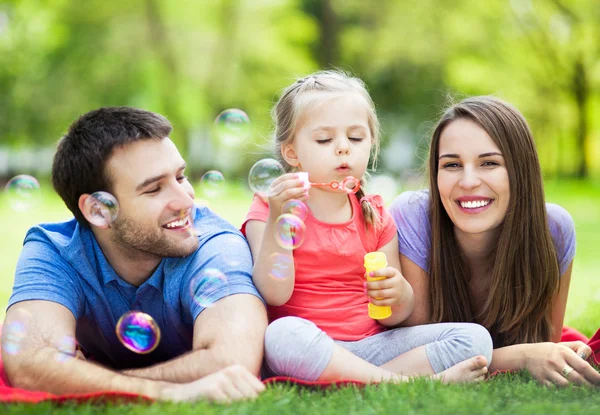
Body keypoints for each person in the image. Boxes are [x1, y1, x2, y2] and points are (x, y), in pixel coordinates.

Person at [1, 107, 268, 403]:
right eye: (154, 189)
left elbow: (232, 361)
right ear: (98, 210)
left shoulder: (215, 244)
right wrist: (169, 391)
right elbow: (27, 365)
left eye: (181, 177)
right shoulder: (54, 250)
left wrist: (81, 374)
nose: (185, 200)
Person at [242, 70, 492, 384]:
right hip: (309, 345)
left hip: (372, 346)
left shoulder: (374, 214)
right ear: (291, 152)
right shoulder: (270, 206)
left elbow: (393, 316)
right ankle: (401, 381)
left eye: (356, 137)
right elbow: (274, 293)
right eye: (324, 139)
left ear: (371, 144)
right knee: (280, 334)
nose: (343, 147)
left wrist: (399, 294)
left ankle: (365, 377)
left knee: (475, 339)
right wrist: (280, 218)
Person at [389, 96, 600, 387]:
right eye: (451, 165)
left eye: (489, 163)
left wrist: (532, 354)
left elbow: (545, 347)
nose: (468, 181)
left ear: (520, 171)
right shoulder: (413, 216)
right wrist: (521, 357)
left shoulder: (554, 229)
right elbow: (417, 353)